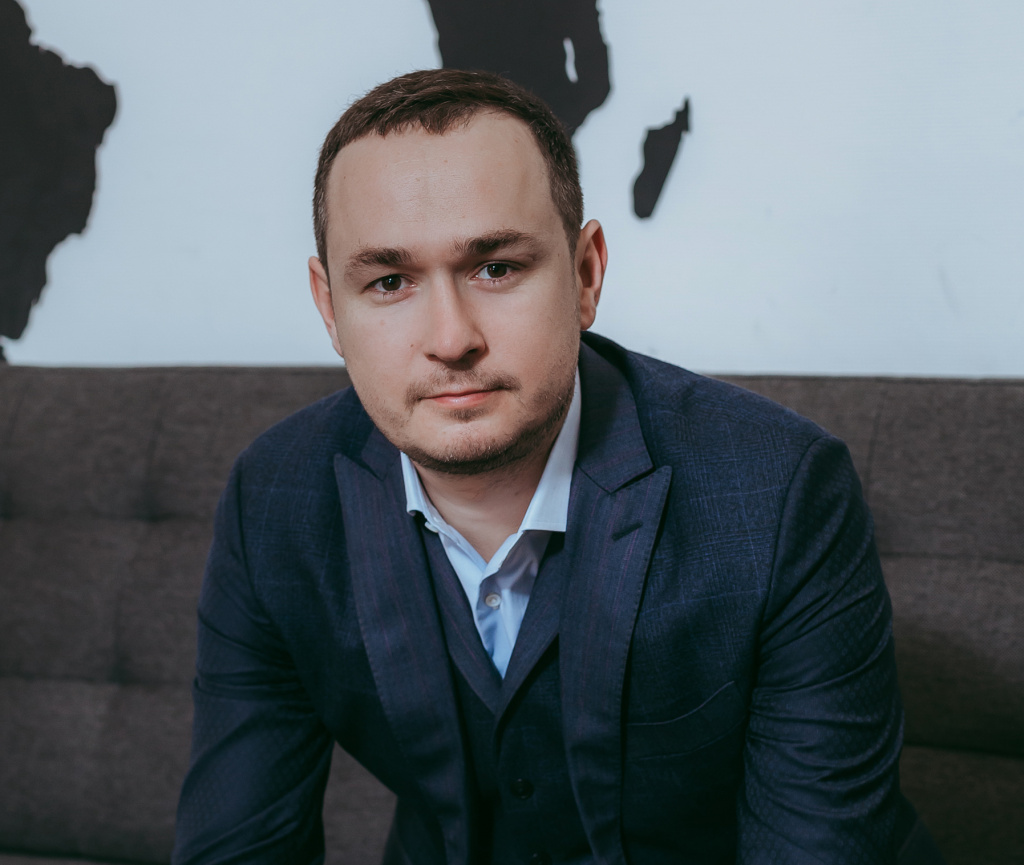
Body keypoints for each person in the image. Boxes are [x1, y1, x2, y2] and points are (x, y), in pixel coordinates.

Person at [172, 69, 942, 864]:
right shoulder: (274, 500)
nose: (451, 338)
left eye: (496, 267)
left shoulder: (780, 491)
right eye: (390, 281)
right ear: (330, 307)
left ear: (585, 274)